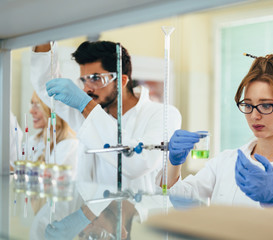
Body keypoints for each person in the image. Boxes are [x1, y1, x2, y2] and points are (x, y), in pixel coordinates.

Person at [162, 51, 273, 218]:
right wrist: (174, 163)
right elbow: (181, 202)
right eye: (248, 105)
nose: (254, 115)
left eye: (266, 105)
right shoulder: (225, 161)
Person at [30, 41, 181, 192]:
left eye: (96, 79)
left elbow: (137, 163)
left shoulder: (163, 114)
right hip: (93, 212)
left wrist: (85, 104)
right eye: (84, 80)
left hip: (140, 214)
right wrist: (46, 32)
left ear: (121, 81)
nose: (87, 88)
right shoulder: (87, 113)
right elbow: (46, 85)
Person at [26, 91, 78, 167]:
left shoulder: (69, 145)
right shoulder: (34, 140)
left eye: (38, 105)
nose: (31, 111)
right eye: (32, 104)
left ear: (53, 110)